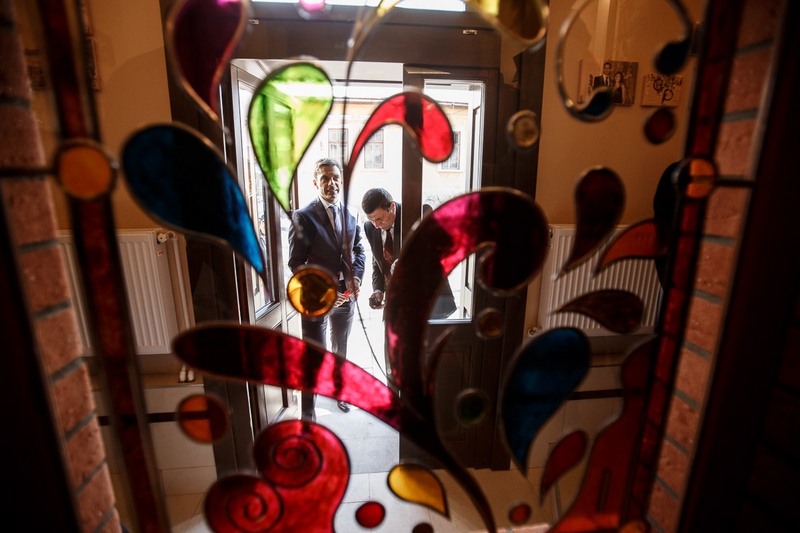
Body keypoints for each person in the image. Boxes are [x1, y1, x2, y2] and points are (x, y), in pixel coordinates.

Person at [288, 158, 365, 419]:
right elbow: (296, 263)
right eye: (325, 178)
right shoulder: (303, 216)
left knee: (340, 347)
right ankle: (308, 412)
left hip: (346, 296)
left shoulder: (352, 213)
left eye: (335, 178)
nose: (331, 183)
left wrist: (357, 278)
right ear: (315, 183)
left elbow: (358, 250)